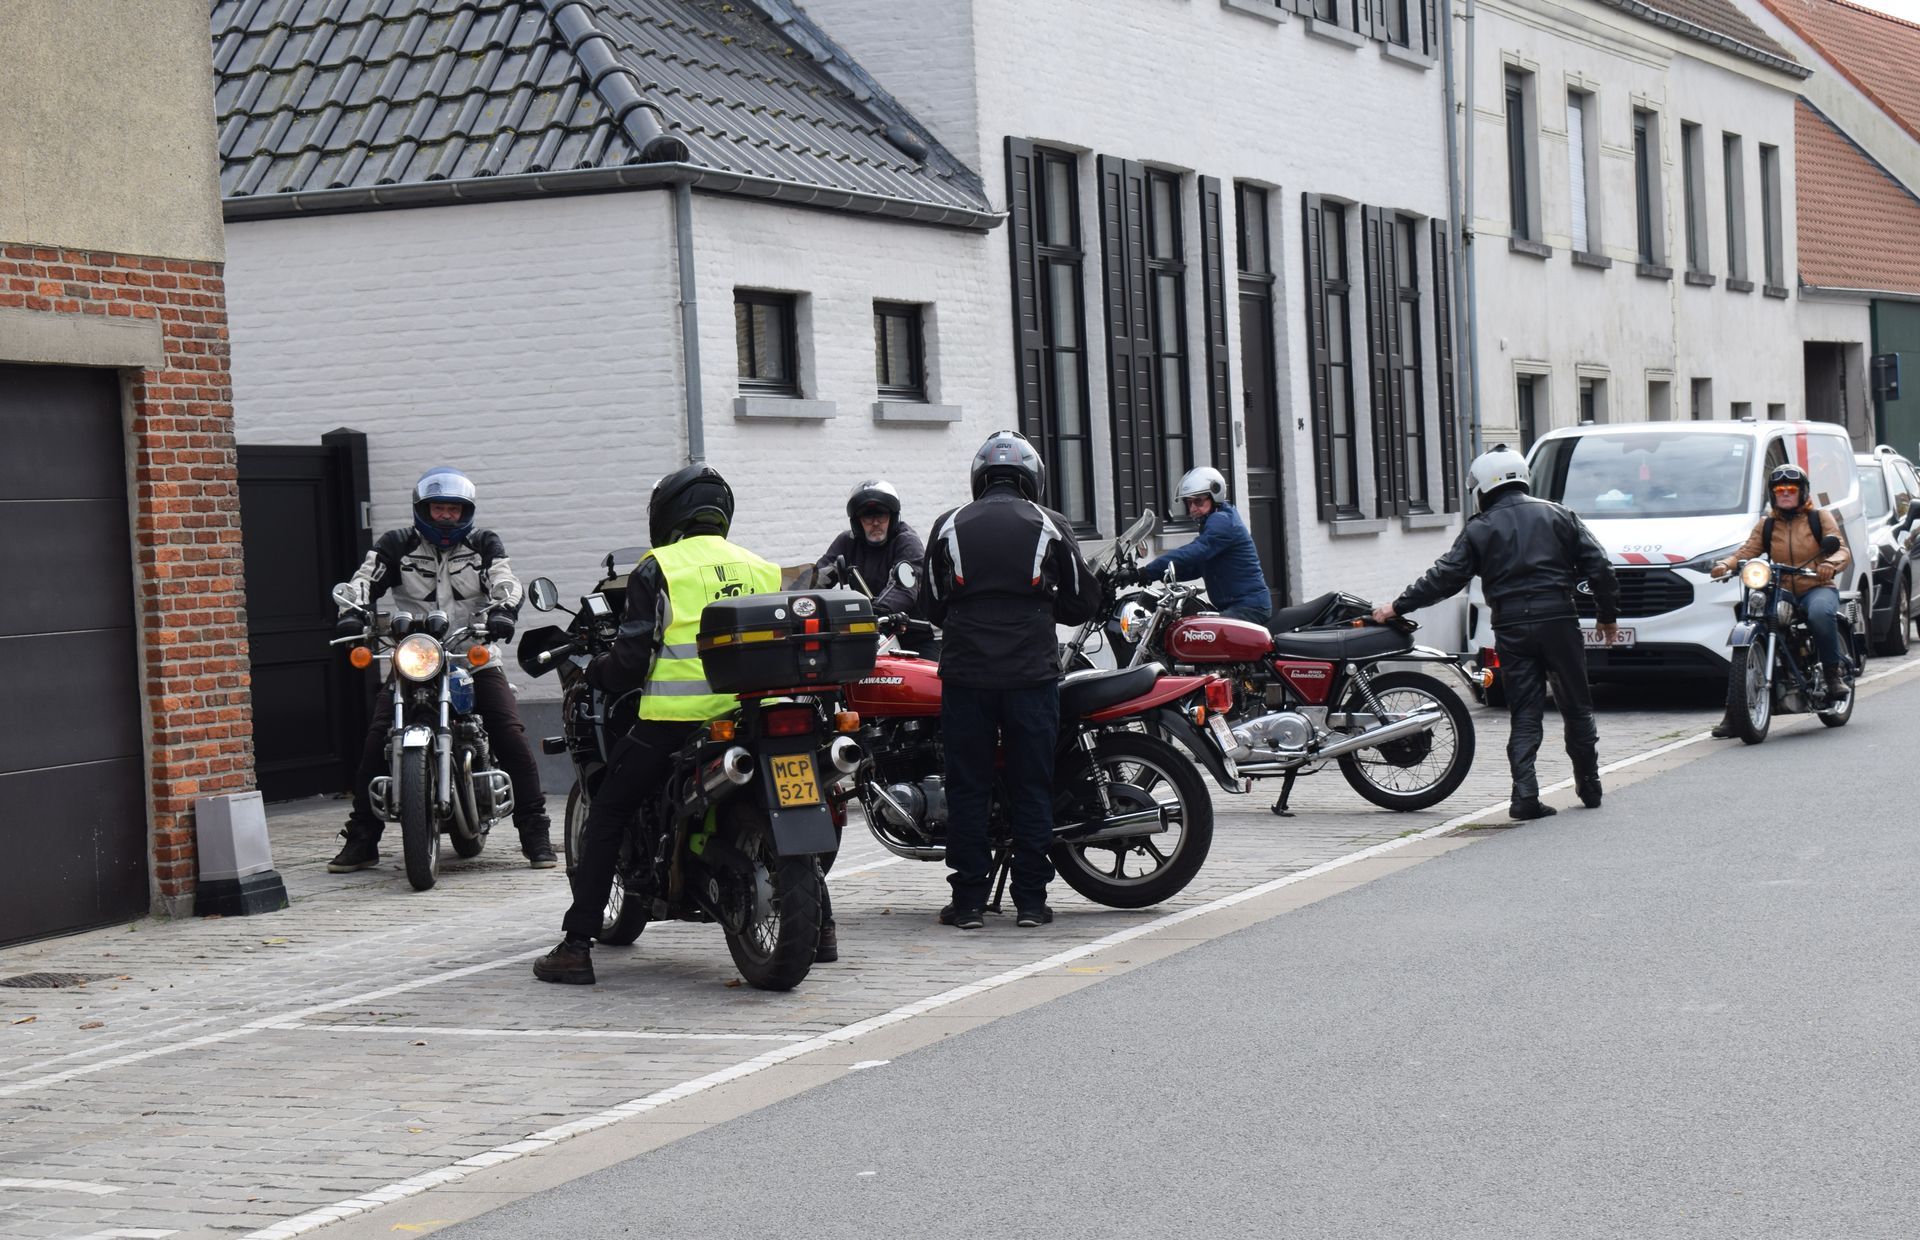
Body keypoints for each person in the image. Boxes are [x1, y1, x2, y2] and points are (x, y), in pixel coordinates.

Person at [533, 464, 785, 985]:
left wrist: (597, 672)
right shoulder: (762, 567)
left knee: (609, 811)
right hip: (752, 716)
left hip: (678, 722)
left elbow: (631, 660)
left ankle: (577, 946)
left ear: (669, 513)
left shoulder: (658, 567)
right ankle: (822, 929)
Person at [1372, 445, 1620, 820]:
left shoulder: (1480, 528)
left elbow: (1444, 577)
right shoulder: (1558, 514)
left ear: (1484, 486)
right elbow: (1599, 565)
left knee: (1525, 712)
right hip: (1558, 620)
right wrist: (1607, 616)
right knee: (1576, 707)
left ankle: (1525, 795)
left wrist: (1398, 606)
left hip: (1511, 626)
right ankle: (1590, 786)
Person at [330, 467, 553, 871]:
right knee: (377, 739)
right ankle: (362, 839)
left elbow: (505, 581)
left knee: (509, 733)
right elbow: (364, 581)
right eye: (438, 508)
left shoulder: (483, 543)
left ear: (466, 511)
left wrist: (503, 610)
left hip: (471, 655)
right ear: (423, 510)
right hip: (416, 658)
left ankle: (535, 833)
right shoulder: (397, 545)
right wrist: (351, 612)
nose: (446, 516)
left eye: (454, 509)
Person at [922, 430, 1102, 929]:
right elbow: (1083, 601)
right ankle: (1030, 903)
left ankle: (968, 903)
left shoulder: (949, 523)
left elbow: (930, 604)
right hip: (1030, 675)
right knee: (1032, 785)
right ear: (1031, 477)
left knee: (968, 787)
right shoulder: (1050, 523)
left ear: (980, 477)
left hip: (967, 675)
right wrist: (1043, 606)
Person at [1708, 463, 1852, 711]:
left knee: (1820, 614)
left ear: (1802, 492)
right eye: (1779, 489)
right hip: (1781, 590)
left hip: (1816, 586)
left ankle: (1832, 674)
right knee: (1754, 615)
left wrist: (1829, 564)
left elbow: (1841, 549)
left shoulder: (1819, 518)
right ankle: (1741, 703)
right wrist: (1725, 565)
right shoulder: (1767, 524)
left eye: (1791, 489)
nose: (1785, 493)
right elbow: (1746, 552)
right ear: (1772, 493)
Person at [1115, 466, 1271, 624]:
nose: (1193, 508)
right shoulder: (1215, 522)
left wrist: (1146, 571)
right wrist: (1155, 575)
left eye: (1198, 501)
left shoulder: (1222, 521)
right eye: (1189, 503)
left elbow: (1192, 552)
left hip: (1248, 608)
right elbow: (1196, 568)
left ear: (1214, 496)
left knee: (1201, 631)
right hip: (1237, 606)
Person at [814, 479, 925, 616]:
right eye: (867, 517)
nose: (875, 523)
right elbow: (820, 576)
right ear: (858, 522)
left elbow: (904, 587)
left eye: (881, 515)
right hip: (866, 622)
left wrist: (875, 611)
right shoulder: (848, 542)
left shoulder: (906, 542)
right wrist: (798, 595)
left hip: (906, 624)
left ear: (892, 517)